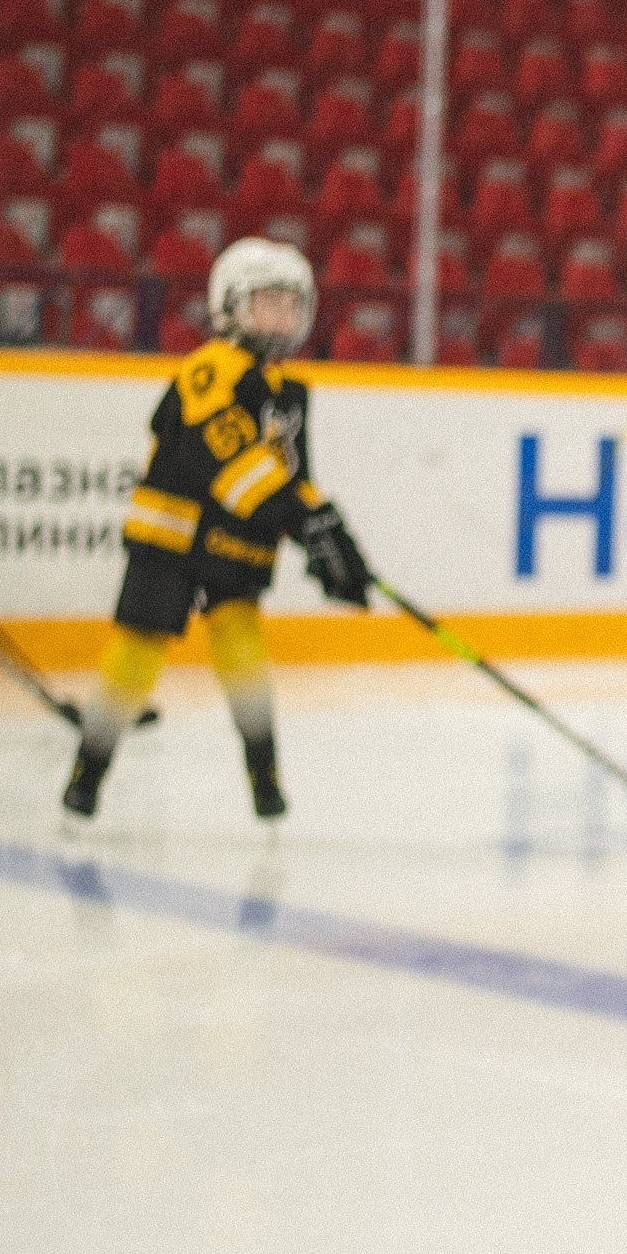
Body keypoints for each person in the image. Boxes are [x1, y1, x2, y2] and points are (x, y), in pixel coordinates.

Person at [62, 238, 371, 825]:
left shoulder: (289, 391)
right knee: (137, 652)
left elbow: (290, 474)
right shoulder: (209, 367)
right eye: (267, 301)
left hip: (234, 542)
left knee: (243, 650)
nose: (281, 315)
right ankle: (87, 777)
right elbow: (225, 461)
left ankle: (266, 780)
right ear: (229, 306)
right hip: (171, 540)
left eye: (291, 303)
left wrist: (332, 534)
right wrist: (301, 521)